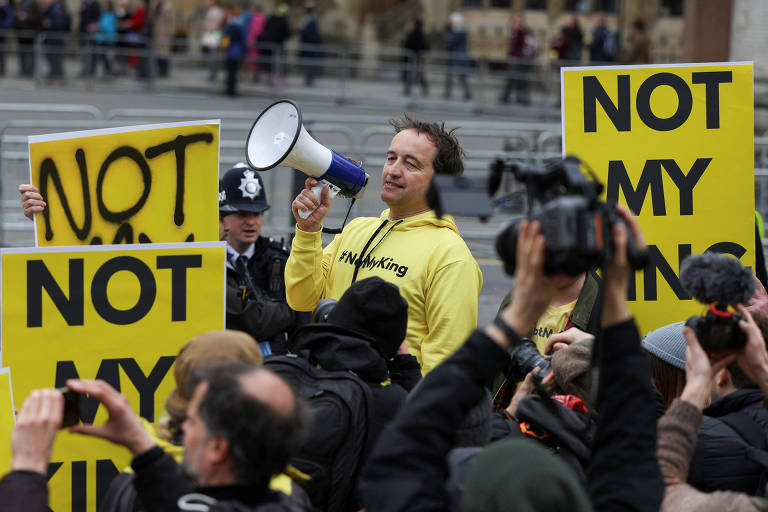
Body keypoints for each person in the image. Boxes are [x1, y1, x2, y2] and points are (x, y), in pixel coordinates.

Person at [359, 205, 664, 511]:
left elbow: (405, 443)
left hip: (551, 437)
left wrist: (507, 333)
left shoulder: (445, 485)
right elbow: (643, 427)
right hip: (531, 434)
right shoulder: (606, 490)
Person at [286, 115, 482, 374]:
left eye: (411, 164)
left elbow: (446, 364)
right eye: (391, 158)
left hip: (390, 409)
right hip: (332, 395)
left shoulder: (451, 256)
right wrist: (308, 231)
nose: (393, 170)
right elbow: (302, 298)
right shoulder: (356, 229)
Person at [0, 361, 310, 512]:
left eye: (192, 421)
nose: (183, 429)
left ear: (217, 447)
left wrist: (27, 468)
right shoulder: (283, 504)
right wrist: (142, 448)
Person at [656, 308, 768, 511]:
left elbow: (655, 487)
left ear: (722, 375)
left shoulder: (700, 440)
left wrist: (697, 385)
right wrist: (762, 370)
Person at [220, 163, 297, 355]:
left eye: (257, 213)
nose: (251, 222)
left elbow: (302, 329)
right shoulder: (208, 262)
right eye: (242, 214)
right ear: (222, 217)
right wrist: (289, 310)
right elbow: (252, 321)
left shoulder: (280, 258)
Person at [499, 14, 535, 105]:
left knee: (518, 79)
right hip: (515, 59)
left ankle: (515, 98)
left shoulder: (520, 32)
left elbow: (518, 46)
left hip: (518, 59)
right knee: (514, 79)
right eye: (515, 21)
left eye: (518, 22)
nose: (516, 24)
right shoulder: (515, 32)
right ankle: (509, 97)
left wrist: (512, 52)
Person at [257, 2, 290, 86]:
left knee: (271, 63)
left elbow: (265, 28)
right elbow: (287, 33)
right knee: (279, 62)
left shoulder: (271, 18)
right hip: (278, 45)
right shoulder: (284, 21)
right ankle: (278, 79)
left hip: (270, 45)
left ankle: (271, 78)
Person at [443, 12, 471, 100]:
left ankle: (466, 93)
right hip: (454, 57)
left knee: (461, 76)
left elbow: (450, 42)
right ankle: (448, 92)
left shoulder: (459, 32)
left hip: (458, 57)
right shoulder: (458, 31)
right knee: (452, 76)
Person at [40, 0, 69, 81]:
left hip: (55, 38)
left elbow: (59, 23)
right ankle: (54, 75)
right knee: (52, 58)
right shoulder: (53, 7)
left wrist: (48, 23)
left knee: (56, 59)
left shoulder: (56, 7)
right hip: (52, 38)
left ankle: (58, 77)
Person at [221, 3, 245, 96]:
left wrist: (223, 48)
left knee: (230, 72)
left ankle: (229, 90)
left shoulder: (229, 25)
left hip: (230, 51)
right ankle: (233, 90)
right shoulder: (241, 25)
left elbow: (225, 38)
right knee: (234, 72)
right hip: (238, 51)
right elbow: (243, 40)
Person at [401, 18, 429, 97]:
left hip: (415, 56)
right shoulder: (417, 33)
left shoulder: (416, 33)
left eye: (412, 23)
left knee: (416, 73)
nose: (411, 25)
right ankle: (409, 89)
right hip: (414, 56)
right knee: (415, 74)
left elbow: (411, 44)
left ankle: (410, 89)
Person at [14, 0, 42, 78]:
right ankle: (23, 71)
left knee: (31, 54)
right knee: (22, 54)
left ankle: (30, 72)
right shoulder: (20, 3)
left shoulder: (35, 4)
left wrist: (27, 16)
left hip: (31, 33)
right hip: (21, 33)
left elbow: (39, 18)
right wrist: (17, 15)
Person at [298, 1, 322, 87]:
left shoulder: (312, 19)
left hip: (310, 45)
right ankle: (308, 78)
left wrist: (301, 31)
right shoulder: (308, 18)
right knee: (307, 62)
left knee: (310, 62)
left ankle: (309, 79)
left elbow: (309, 32)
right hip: (307, 44)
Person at [91, 0, 117, 77]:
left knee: (107, 58)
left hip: (108, 39)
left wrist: (101, 27)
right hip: (101, 39)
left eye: (106, 5)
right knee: (100, 56)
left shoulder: (112, 15)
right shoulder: (103, 14)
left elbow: (109, 27)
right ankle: (101, 72)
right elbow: (100, 23)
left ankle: (108, 72)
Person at [200, 0, 224, 82]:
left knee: (214, 54)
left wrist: (207, 26)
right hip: (211, 33)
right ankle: (212, 74)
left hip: (214, 33)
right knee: (212, 54)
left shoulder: (217, 11)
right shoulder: (212, 10)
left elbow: (218, 23)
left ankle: (213, 74)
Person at [149, 0, 174, 77]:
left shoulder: (168, 5)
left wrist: (170, 32)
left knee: (164, 53)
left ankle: (164, 71)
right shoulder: (153, 5)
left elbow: (172, 20)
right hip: (156, 32)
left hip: (164, 33)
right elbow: (151, 17)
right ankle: (158, 70)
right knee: (156, 53)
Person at [0, 0, 14, 77]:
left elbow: (9, 21)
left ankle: (2, 70)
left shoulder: (7, 8)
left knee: (2, 54)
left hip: (2, 34)